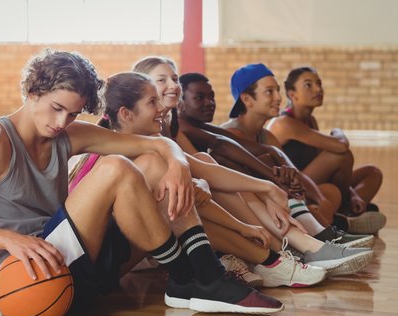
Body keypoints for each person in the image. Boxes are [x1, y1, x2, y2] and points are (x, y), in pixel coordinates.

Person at [0, 49, 284, 315]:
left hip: (75, 257)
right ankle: (195, 278)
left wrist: (176, 162)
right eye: (55, 108)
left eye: (71, 113)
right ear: (31, 91)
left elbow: (157, 145)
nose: (61, 122)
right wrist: (8, 240)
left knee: (152, 163)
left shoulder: (66, 134)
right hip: (26, 278)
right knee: (115, 167)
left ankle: (196, 278)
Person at [72, 71, 331, 288]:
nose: (162, 107)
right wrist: (242, 225)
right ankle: (269, 259)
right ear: (126, 114)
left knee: (192, 180)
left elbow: (206, 170)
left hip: (137, 245)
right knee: (182, 189)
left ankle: (271, 260)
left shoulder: (145, 145)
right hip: (104, 261)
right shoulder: (118, 154)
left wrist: (268, 187)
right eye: (153, 102)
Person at [131, 56, 374, 277]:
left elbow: (216, 154)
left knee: (224, 172)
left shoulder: (168, 123)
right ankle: (291, 247)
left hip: (195, 209)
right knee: (221, 172)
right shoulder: (172, 126)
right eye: (162, 80)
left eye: (175, 79)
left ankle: (292, 248)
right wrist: (273, 185)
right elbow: (221, 148)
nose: (174, 86)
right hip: (158, 226)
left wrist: (271, 183)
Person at [177, 71, 374, 248]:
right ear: (246, 99)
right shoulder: (191, 129)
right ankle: (314, 234)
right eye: (269, 92)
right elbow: (224, 147)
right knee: (238, 162)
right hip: (225, 200)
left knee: (350, 182)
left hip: (268, 195)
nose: (279, 98)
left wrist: (287, 178)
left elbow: (272, 152)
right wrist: (274, 178)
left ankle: (323, 227)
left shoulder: (206, 128)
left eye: (212, 96)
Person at [266, 66, 386, 234]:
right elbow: (340, 146)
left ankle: (345, 212)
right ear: (292, 94)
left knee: (372, 173)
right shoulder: (284, 123)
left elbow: (321, 159)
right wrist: (337, 131)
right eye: (308, 85)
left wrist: (353, 194)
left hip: (311, 184)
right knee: (340, 159)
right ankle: (344, 216)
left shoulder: (311, 121)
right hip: (292, 188)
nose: (318, 89)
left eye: (319, 83)